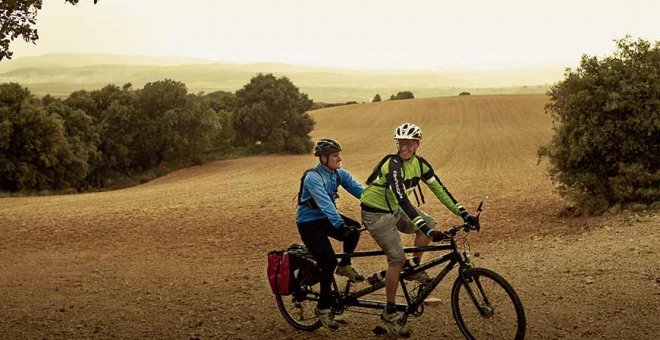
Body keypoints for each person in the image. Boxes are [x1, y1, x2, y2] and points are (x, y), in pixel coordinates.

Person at [360, 123, 479, 336]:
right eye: (401, 143)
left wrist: (464, 213)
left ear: (417, 144)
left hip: (395, 209)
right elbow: (403, 199)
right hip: (376, 214)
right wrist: (424, 228)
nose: (404, 147)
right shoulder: (392, 164)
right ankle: (389, 312)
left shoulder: (420, 165)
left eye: (408, 143)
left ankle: (413, 266)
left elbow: (441, 190)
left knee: (429, 223)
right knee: (396, 260)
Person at [296, 138, 366, 331]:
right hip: (308, 223)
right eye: (336, 155)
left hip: (325, 219)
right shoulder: (313, 177)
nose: (339, 158)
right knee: (328, 262)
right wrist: (340, 226)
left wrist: (379, 202)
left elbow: (360, 190)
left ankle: (345, 266)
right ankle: (323, 308)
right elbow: (325, 203)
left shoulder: (338, 174)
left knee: (354, 229)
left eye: (338, 154)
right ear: (324, 158)